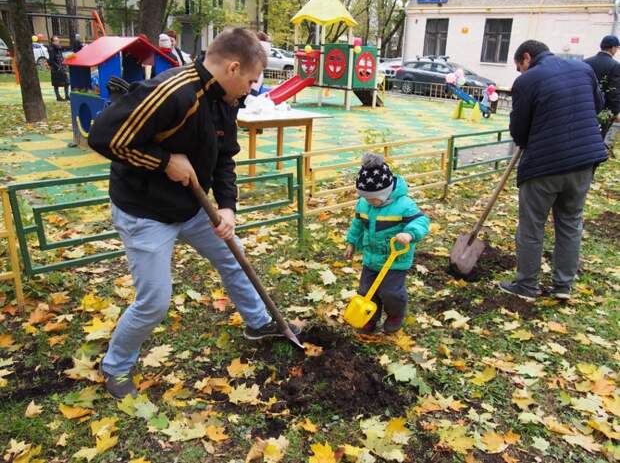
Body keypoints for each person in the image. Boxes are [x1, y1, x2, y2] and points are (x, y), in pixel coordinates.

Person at [88, 28, 300, 399]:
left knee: (233, 256)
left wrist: (228, 208)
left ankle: (259, 323)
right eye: (251, 80)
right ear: (233, 67)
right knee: (153, 301)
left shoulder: (225, 99)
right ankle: (116, 367)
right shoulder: (172, 92)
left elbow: (225, 158)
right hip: (145, 211)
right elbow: (104, 137)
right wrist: (164, 161)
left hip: (193, 206)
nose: (251, 89)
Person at [499, 40, 607, 302]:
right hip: (584, 162)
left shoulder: (527, 81)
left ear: (526, 58)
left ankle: (526, 286)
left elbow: (518, 131)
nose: (520, 73)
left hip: (544, 166)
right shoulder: (583, 69)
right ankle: (563, 286)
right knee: (571, 223)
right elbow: (597, 105)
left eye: (519, 67)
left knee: (532, 226)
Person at [344, 153, 430, 334]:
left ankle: (395, 314)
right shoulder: (364, 204)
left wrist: (409, 233)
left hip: (395, 260)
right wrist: (351, 242)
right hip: (371, 258)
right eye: (366, 198)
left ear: (386, 191)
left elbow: (421, 221)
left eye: (373, 198)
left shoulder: (404, 205)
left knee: (391, 292)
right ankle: (370, 318)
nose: (369, 202)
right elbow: (358, 224)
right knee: (366, 291)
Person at [585, 35, 620, 151]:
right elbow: (613, 92)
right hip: (603, 111)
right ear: (613, 48)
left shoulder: (586, 62)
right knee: (596, 141)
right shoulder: (615, 66)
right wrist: (615, 111)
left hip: (584, 106)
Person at [48, 36, 69, 101]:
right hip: (56, 69)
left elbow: (61, 57)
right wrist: (57, 67)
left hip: (61, 67)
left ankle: (66, 96)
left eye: (58, 40)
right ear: (53, 42)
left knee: (66, 82)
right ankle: (58, 96)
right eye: (56, 41)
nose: (58, 42)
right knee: (56, 83)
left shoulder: (59, 48)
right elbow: (51, 60)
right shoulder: (51, 49)